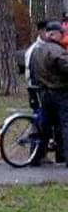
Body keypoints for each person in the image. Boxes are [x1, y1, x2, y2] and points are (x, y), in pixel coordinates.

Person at [30, 21, 68, 166]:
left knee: (44, 126)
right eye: (61, 33)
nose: (63, 35)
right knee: (65, 124)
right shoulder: (57, 51)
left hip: (43, 94)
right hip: (59, 93)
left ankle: (36, 156)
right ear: (54, 34)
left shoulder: (37, 50)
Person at [24, 20, 47, 86]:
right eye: (47, 31)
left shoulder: (55, 46)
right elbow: (30, 73)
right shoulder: (33, 50)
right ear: (41, 32)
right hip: (38, 88)